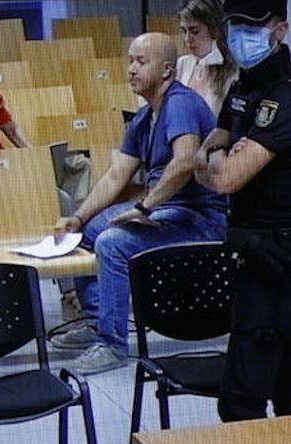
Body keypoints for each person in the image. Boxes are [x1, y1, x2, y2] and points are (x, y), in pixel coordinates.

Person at [51, 32, 227, 375]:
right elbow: (116, 177)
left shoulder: (180, 104)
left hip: (201, 218)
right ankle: (95, 321)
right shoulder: (144, 119)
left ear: (165, 70)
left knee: (113, 243)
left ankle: (113, 344)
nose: (130, 69)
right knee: (87, 231)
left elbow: (184, 163)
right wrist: (79, 216)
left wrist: (144, 208)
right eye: (130, 60)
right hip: (166, 212)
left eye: (140, 62)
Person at [194, 0, 291, 421]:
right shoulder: (245, 85)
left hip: (280, 253)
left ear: (280, 30)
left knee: (243, 393)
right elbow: (206, 154)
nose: (240, 36)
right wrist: (216, 156)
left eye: (252, 27)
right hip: (249, 245)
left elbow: (224, 178)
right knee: (290, 373)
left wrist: (216, 161)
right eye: (234, 25)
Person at [176, 0, 239, 116]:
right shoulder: (181, 64)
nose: (187, 39)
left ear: (215, 30)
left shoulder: (233, 71)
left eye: (195, 32)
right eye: (183, 31)